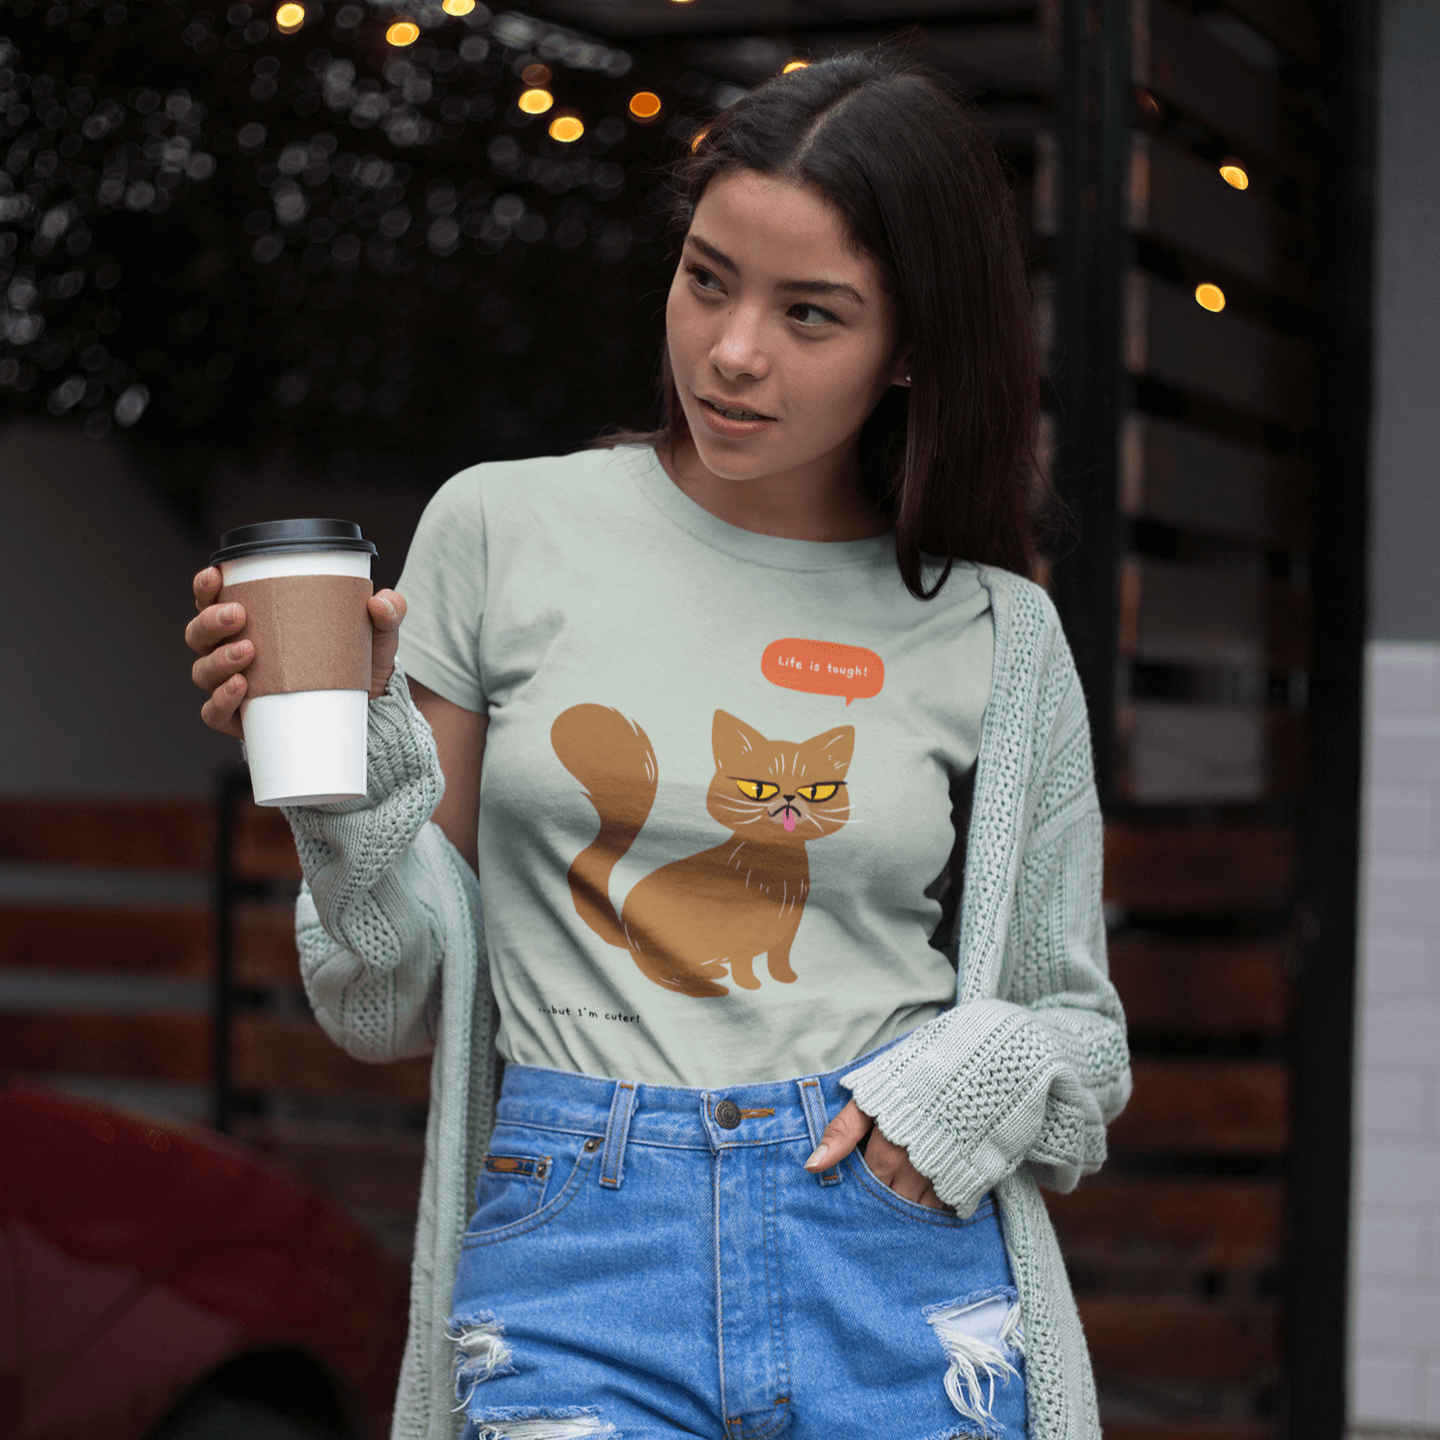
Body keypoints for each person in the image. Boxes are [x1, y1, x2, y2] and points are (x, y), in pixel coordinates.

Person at [187, 47, 1130, 1440]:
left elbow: (1081, 1044)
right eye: (707, 278)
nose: (735, 350)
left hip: (888, 1249)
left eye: (812, 313)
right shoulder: (503, 531)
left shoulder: (996, 628)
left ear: (915, 345)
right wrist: (345, 785)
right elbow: (381, 1002)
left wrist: (958, 1081)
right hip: (581, 1242)